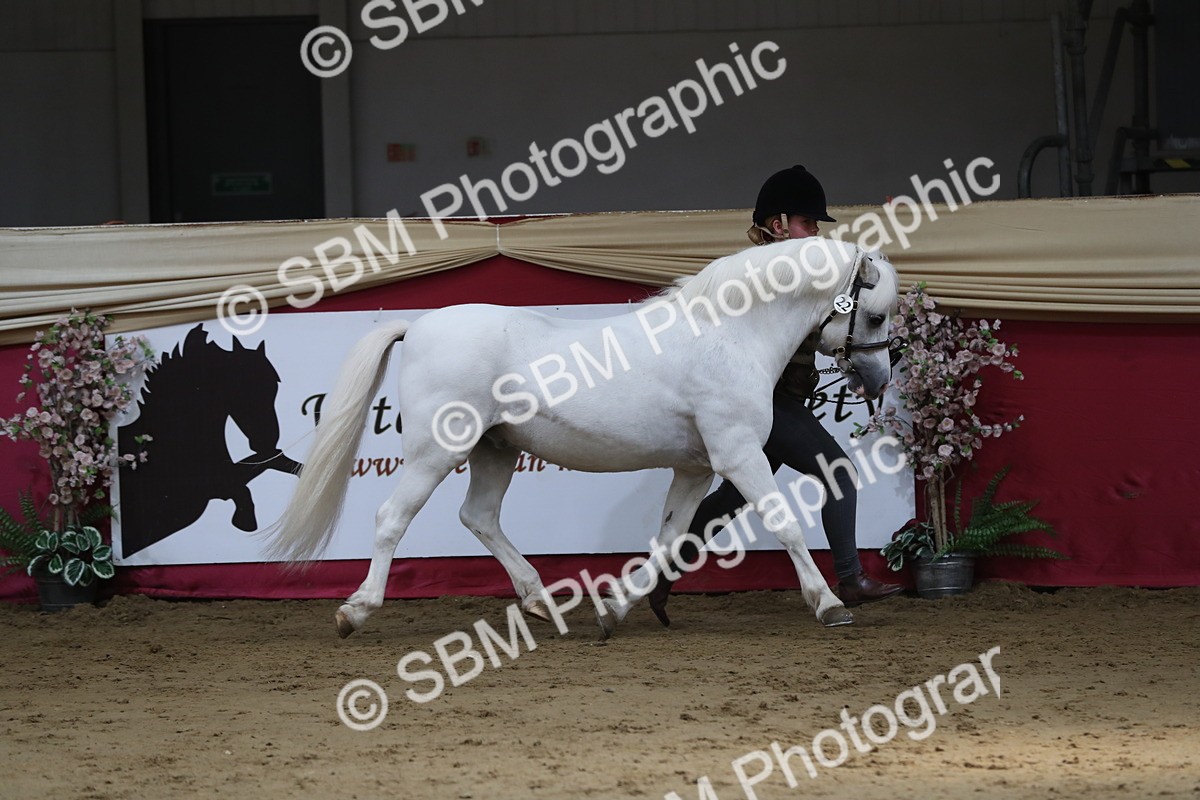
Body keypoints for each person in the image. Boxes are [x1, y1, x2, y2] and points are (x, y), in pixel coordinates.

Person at [646, 165, 903, 625]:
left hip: (778, 404)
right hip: (765, 404)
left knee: (732, 501)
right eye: (808, 223)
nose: (816, 234)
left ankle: (661, 572)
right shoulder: (761, 277)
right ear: (779, 224)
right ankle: (849, 578)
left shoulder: (801, 277)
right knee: (838, 472)